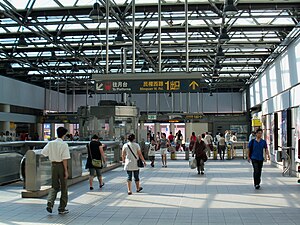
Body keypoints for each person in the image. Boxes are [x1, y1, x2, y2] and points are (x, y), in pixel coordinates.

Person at [41, 127, 70, 214]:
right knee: (64, 187)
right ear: (64, 135)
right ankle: (62, 208)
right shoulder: (64, 144)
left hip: (53, 165)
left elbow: (43, 153)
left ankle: (50, 202)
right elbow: (65, 159)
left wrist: (52, 155)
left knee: (54, 186)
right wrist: (66, 170)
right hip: (61, 165)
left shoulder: (51, 143)